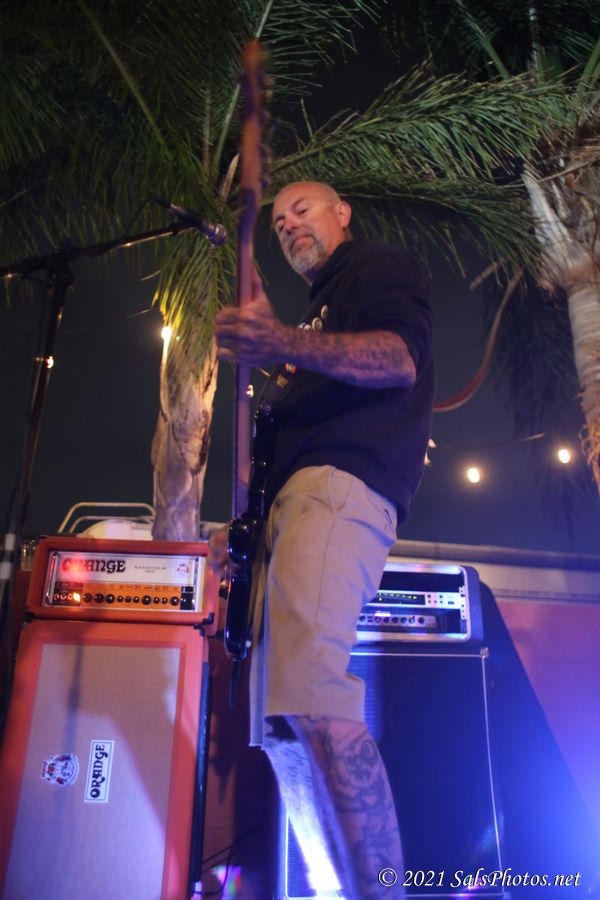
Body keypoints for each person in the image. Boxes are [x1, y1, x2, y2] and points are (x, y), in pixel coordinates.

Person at [211, 181, 434, 899]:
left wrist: (280, 341)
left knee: (312, 698)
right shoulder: (316, 316)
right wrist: (243, 532)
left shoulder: (374, 265)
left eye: (301, 209)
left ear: (342, 213)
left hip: (338, 487)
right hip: (293, 505)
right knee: (282, 728)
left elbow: (398, 359)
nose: (287, 224)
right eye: (277, 220)